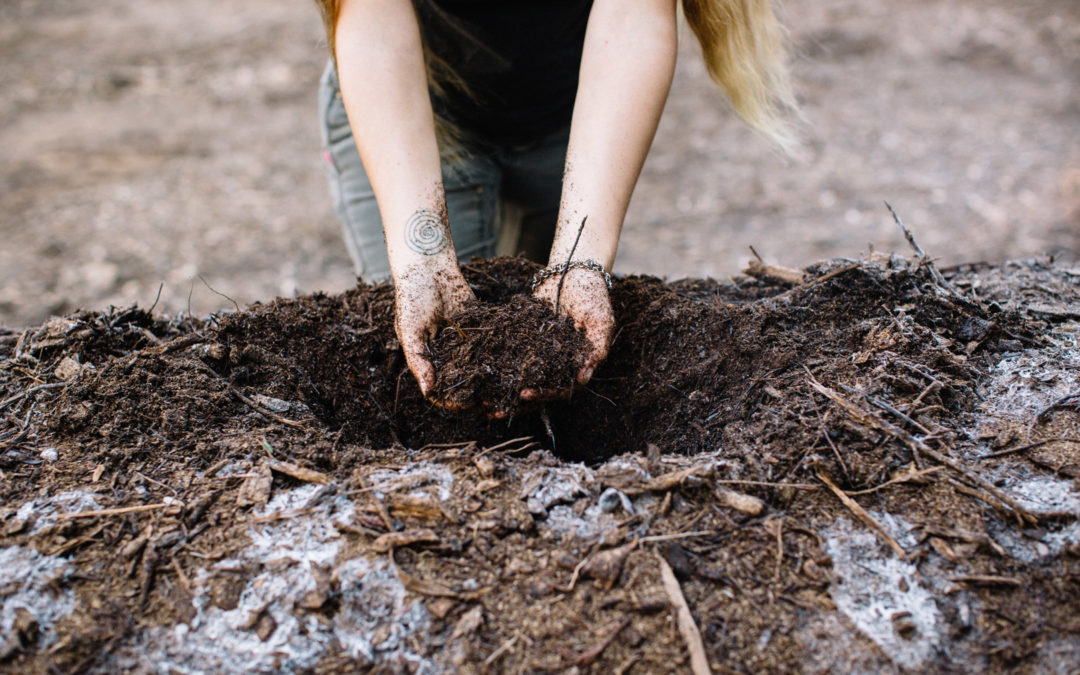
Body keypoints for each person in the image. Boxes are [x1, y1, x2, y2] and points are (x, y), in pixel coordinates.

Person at [315, 0, 795, 406]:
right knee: (419, 369)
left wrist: (579, 262)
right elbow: (372, 21)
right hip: (403, 108)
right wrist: (422, 262)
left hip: (582, 111)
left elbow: (632, 16)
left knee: (559, 355)